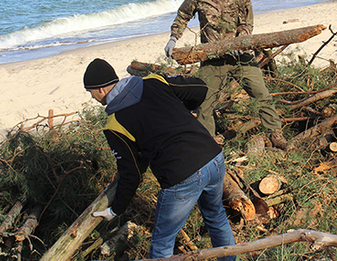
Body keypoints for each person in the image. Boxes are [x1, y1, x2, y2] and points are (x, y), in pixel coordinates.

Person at [84, 58, 237, 260]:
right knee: (216, 217)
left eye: (90, 92)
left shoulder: (114, 124)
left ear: (101, 90)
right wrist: (184, 109)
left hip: (182, 176)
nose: (92, 97)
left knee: (162, 242)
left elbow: (131, 173)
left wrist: (115, 210)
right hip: (212, 156)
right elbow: (199, 88)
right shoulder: (153, 81)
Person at [164, 0, 289, 149]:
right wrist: (174, 38)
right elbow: (183, 16)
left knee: (261, 94)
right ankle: (208, 144)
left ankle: (275, 134)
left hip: (241, 56)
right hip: (213, 59)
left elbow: (247, 24)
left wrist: (241, 40)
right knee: (204, 104)